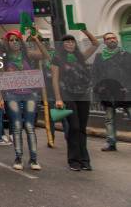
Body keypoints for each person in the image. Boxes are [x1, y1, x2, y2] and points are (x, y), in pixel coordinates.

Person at [52, 30, 99, 171]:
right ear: (62, 45)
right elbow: (54, 79)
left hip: (83, 95)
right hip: (67, 95)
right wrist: (58, 98)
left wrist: (84, 30)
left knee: (82, 128)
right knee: (74, 127)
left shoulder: (80, 57)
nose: (70, 44)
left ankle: (85, 160)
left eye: (72, 41)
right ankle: (74, 159)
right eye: (67, 41)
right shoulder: (57, 59)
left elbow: (96, 43)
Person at [2, 30, 50, 170]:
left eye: (17, 39)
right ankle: (18, 157)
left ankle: (33, 159)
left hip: (30, 94)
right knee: (16, 126)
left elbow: (46, 56)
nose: (14, 42)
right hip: (12, 95)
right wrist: (0, 96)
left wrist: (36, 40)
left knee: (29, 126)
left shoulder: (28, 54)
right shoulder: (4, 57)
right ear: (8, 42)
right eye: (11, 40)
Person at [92, 32, 131, 152]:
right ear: (105, 42)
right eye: (109, 39)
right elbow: (95, 74)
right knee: (109, 118)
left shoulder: (126, 55)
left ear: (117, 40)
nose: (112, 40)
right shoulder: (99, 57)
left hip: (124, 91)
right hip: (107, 92)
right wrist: (98, 89)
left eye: (114, 38)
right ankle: (111, 143)